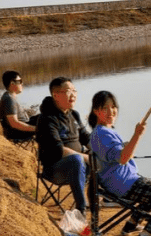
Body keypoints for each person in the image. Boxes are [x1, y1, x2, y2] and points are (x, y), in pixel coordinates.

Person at [89, 91, 151, 236]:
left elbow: (120, 153)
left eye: (113, 107)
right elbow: (123, 158)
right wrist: (136, 135)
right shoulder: (100, 134)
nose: (111, 111)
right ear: (96, 111)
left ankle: (130, 226)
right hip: (122, 184)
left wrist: (130, 142)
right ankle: (147, 233)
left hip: (125, 180)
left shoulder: (106, 131)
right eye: (105, 108)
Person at [36, 77, 91, 214]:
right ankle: (81, 209)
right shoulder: (47, 118)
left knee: (102, 156)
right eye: (68, 91)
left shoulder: (74, 115)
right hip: (55, 169)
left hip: (79, 167)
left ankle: (113, 195)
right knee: (78, 160)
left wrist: (105, 151)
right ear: (56, 95)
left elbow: (87, 138)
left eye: (74, 90)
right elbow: (58, 149)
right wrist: (86, 157)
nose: (73, 95)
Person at [0, 70, 38, 141]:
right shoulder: (9, 99)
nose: (22, 84)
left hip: (19, 129)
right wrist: (36, 129)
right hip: (17, 133)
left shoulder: (8, 96)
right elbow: (14, 123)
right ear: (12, 83)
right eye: (20, 81)